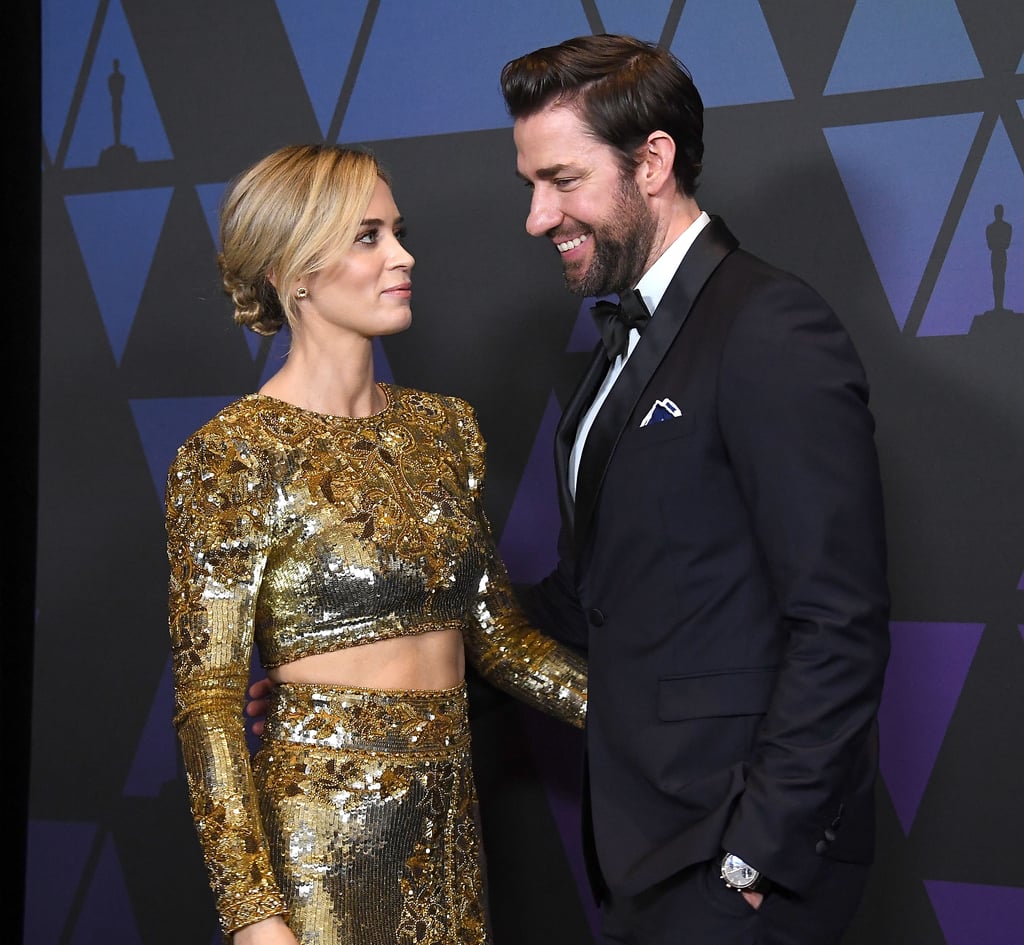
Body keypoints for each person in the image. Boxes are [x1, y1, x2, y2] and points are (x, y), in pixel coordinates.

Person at [498, 33, 891, 945]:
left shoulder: (770, 327)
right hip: (645, 846)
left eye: (560, 179)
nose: (534, 215)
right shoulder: (623, 341)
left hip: (738, 866)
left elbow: (840, 621)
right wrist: (386, 656)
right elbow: (588, 594)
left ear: (654, 162)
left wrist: (753, 861)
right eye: (530, 183)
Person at [165, 143, 587, 945]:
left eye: (396, 231)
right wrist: (254, 918)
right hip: (322, 848)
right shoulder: (232, 455)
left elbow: (499, 639)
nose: (403, 255)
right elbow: (209, 704)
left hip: (451, 831)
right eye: (368, 237)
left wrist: (637, 716)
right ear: (295, 272)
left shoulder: (445, 428)